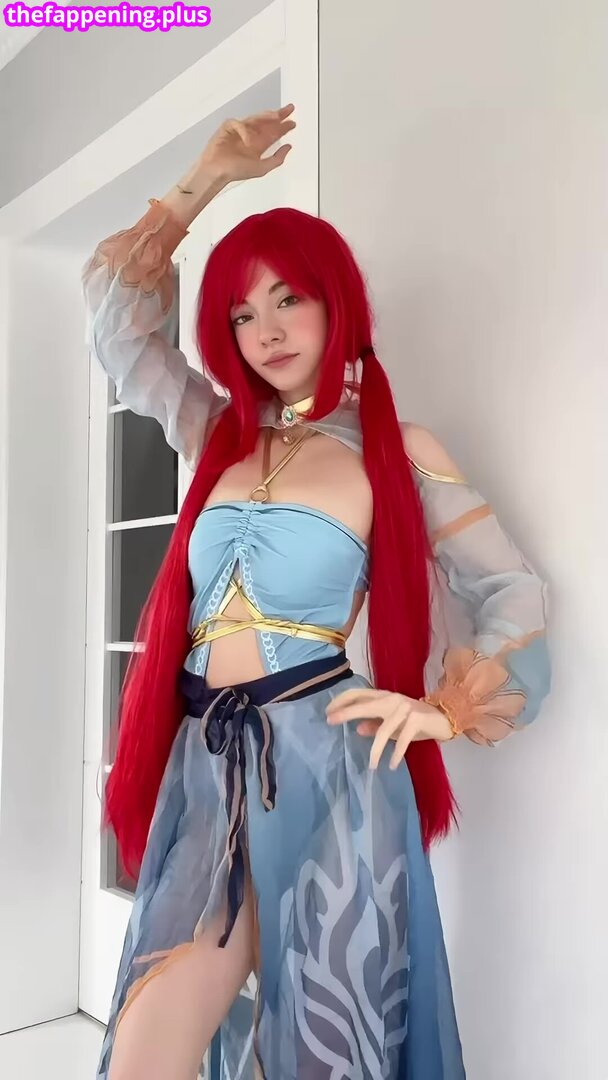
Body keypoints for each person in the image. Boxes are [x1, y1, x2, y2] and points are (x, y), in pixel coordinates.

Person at [81, 103, 551, 1080]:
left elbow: (511, 589)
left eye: (286, 298)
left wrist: (444, 709)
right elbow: (117, 324)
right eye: (241, 313)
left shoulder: (397, 453)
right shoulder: (216, 433)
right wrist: (203, 182)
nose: (264, 330)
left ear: (336, 302)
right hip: (207, 765)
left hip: (332, 770)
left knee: (328, 1052)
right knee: (144, 1049)